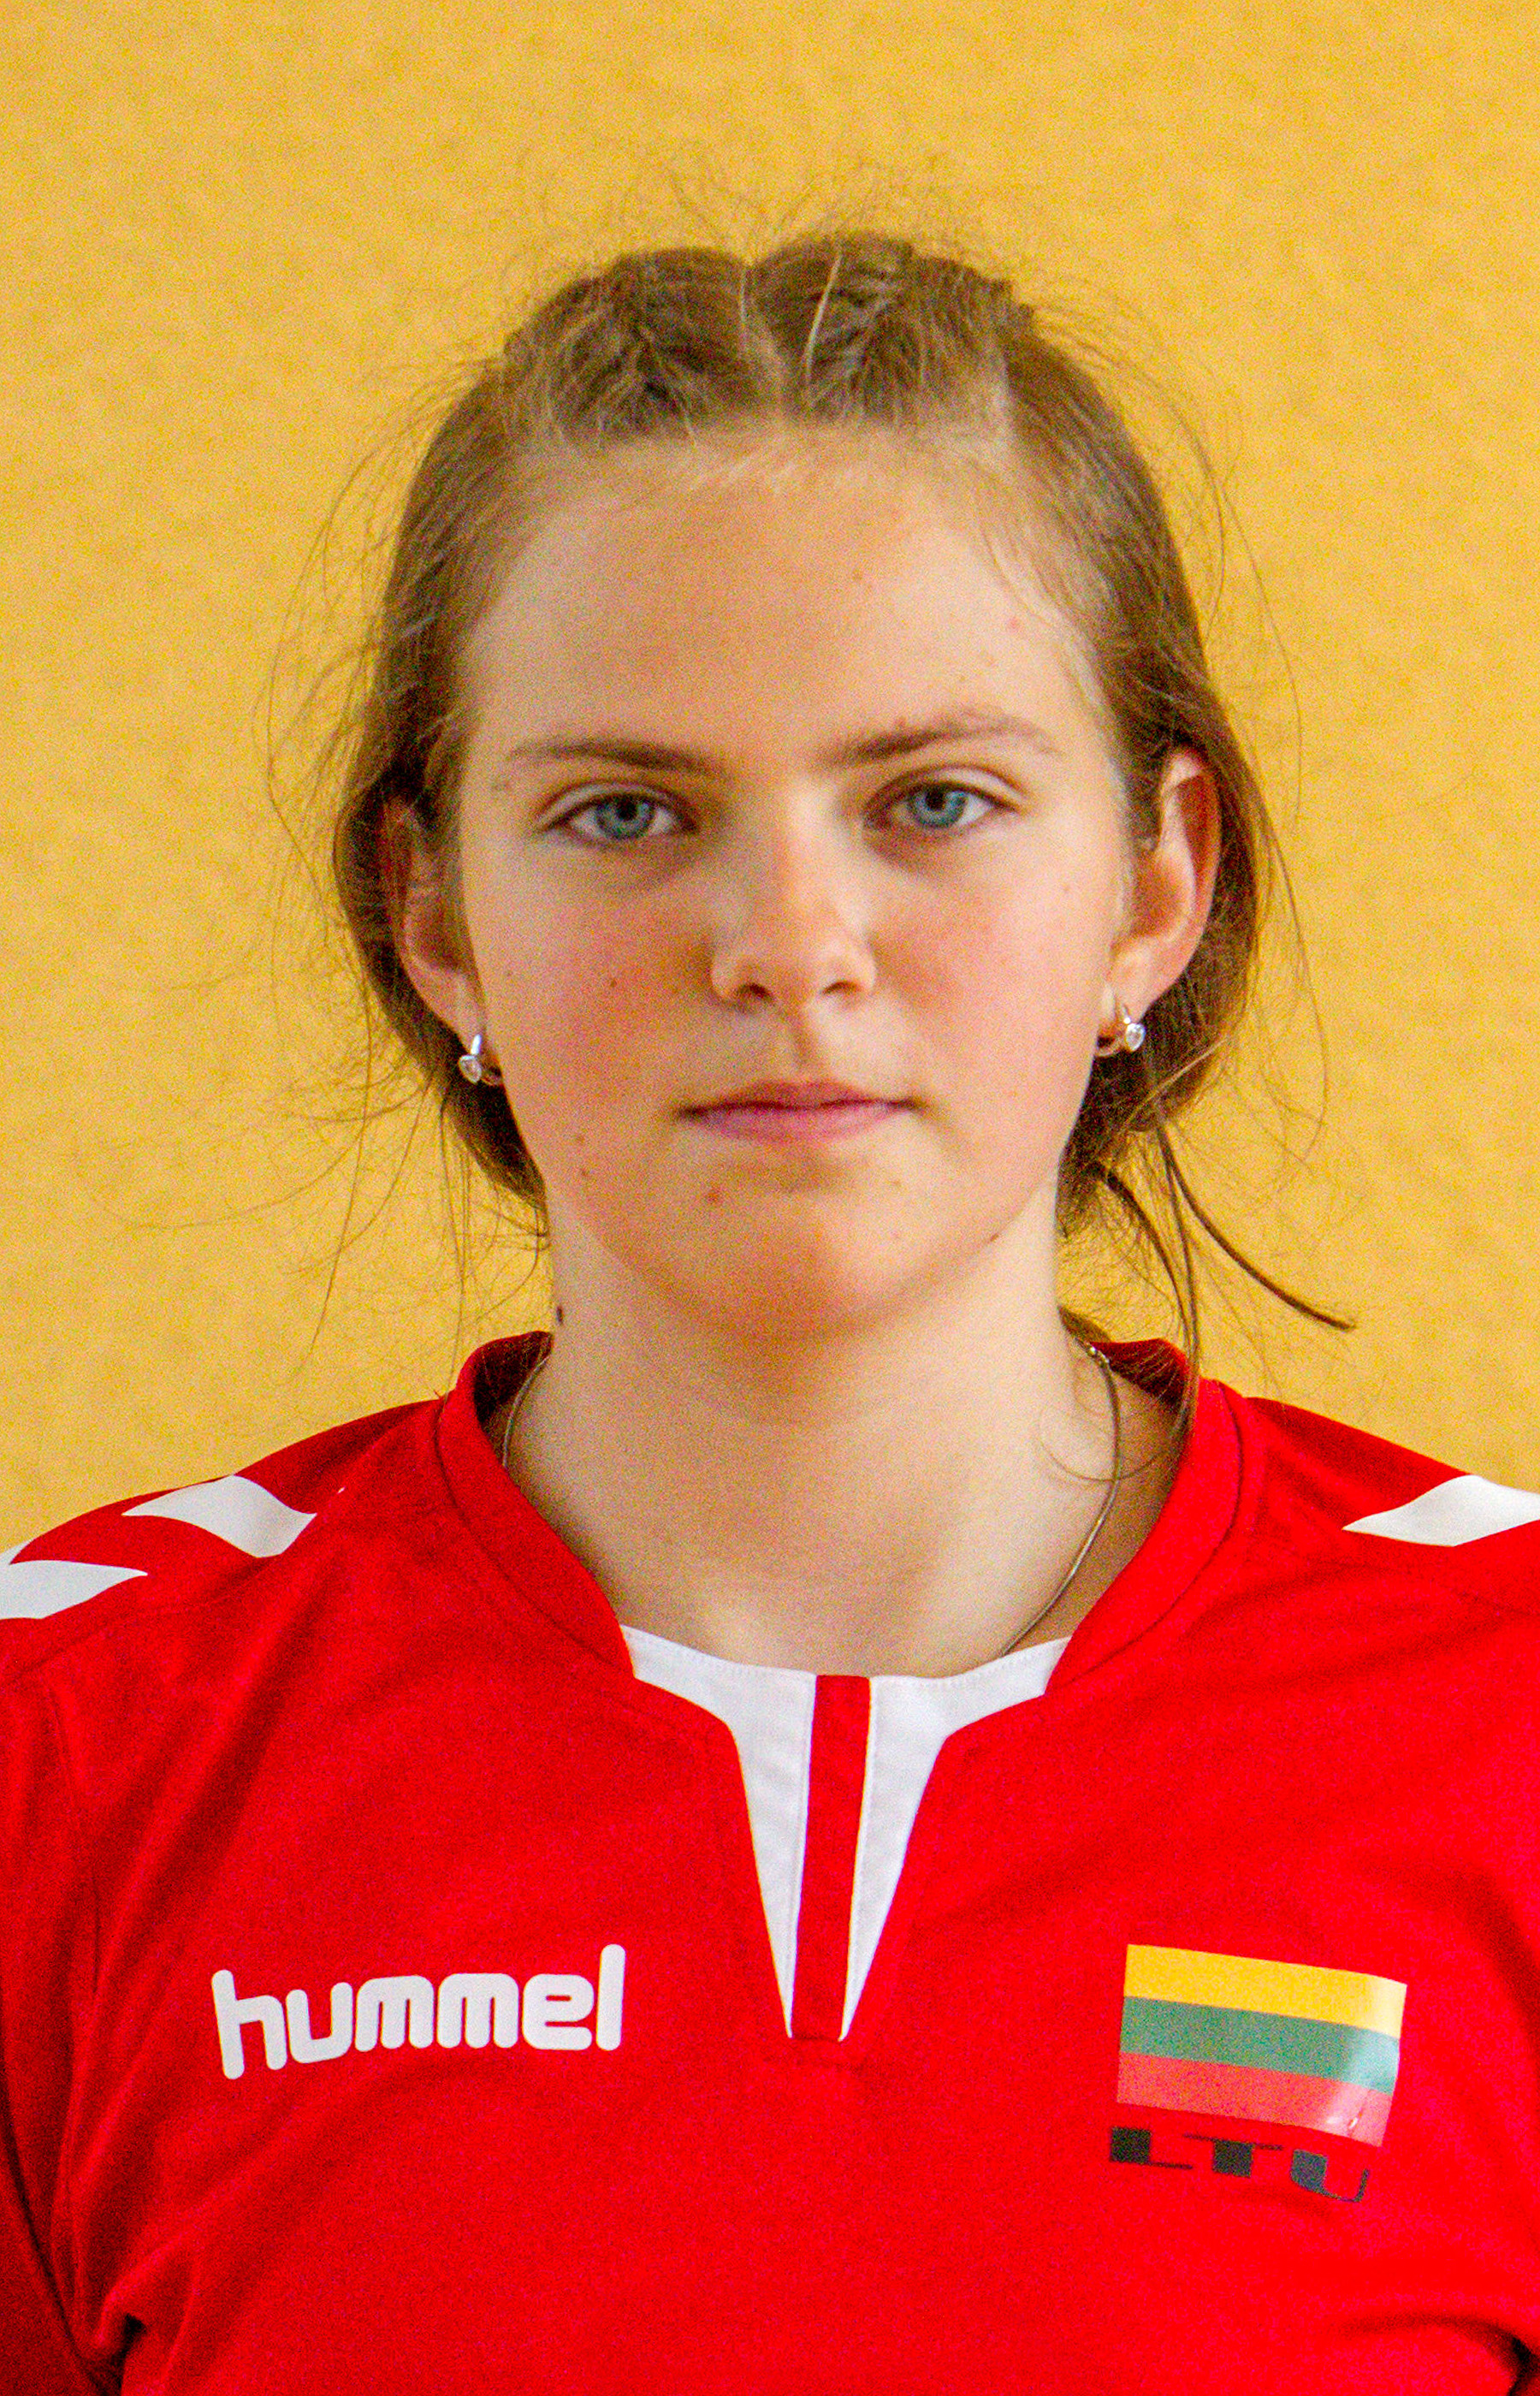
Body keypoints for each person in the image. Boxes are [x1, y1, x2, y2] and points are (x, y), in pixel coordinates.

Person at [3, 229, 1540, 2396]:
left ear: (1155, 882)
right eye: (626, 810)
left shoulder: (1502, 1712)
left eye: (935, 801)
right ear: (432, 909)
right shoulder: (70, 1742)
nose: (788, 942)